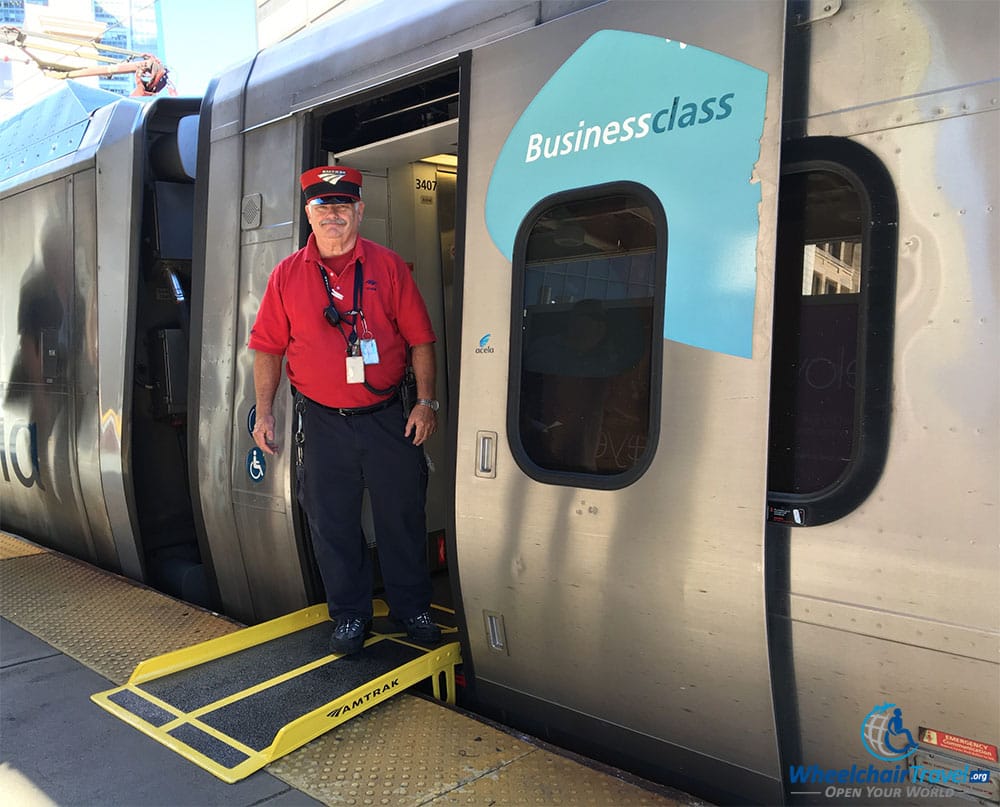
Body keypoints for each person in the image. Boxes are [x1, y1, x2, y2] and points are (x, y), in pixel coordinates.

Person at [248, 165, 441, 655]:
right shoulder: (287, 275)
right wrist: (265, 411)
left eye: (341, 206)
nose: (332, 215)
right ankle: (351, 616)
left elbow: (421, 339)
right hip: (322, 422)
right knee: (332, 523)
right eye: (322, 206)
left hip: (387, 417)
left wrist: (424, 402)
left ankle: (411, 606)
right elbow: (268, 348)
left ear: (359, 210)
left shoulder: (389, 267)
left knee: (401, 516)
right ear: (308, 213)